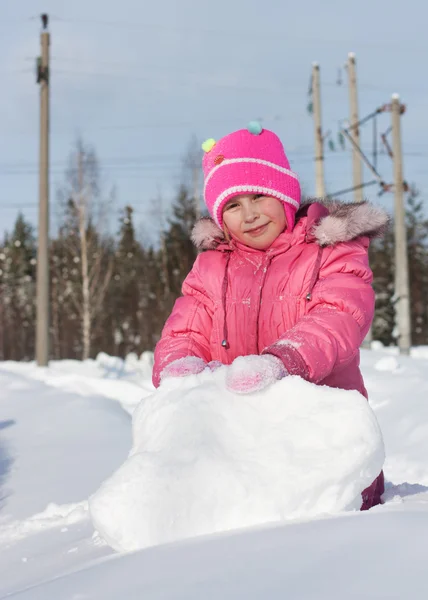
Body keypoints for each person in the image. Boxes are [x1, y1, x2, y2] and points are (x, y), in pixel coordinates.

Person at [152, 122, 388, 510]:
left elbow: (339, 315)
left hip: (325, 444)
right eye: (232, 205)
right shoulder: (212, 266)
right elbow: (186, 328)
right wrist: (180, 367)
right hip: (242, 452)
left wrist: (284, 361)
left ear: (284, 193)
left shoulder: (331, 250)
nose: (249, 215)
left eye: (259, 195)